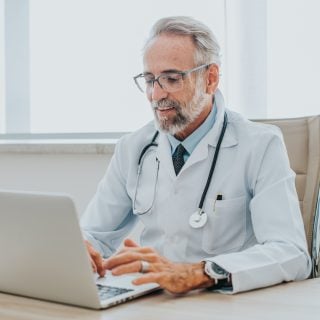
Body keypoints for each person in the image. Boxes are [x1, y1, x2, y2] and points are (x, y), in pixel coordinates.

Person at [81, 16, 311, 294]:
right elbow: (93, 234)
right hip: (154, 300)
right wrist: (81, 248)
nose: (156, 94)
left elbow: (292, 253)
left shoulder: (260, 145)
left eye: (171, 79)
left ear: (210, 78)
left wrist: (202, 271)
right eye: (150, 80)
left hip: (225, 303)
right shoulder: (134, 148)